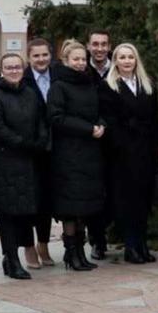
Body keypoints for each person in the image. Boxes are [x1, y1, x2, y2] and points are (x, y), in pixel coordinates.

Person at [0, 53, 48, 280]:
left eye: (17, 67)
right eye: (8, 67)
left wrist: (40, 140)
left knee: (25, 212)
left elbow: (41, 119)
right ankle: (11, 258)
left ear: (23, 69)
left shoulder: (29, 92)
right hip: (6, 162)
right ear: (1, 71)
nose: (13, 71)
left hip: (29, 161)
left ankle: (18, 254)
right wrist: (22, 143)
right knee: (8, 213)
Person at [101, 43, 158, 264]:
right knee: (127, 202)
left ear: (136, 60)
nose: (127, 61)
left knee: (144, 201)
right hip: (123, 155)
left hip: (146, 152)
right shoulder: (108, 86)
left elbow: (156, 117)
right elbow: (110, 122)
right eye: (122, 57)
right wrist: (124, 145)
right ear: (115, 61)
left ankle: (142, 245)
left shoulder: (147, 84)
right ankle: (131, 246)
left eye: (131, 57)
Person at [47, 40, 107, 272]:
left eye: (83, 59)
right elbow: (56, 117)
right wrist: (87, 129)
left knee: (84, 206)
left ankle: (80, 253)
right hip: (68, 154)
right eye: (76, 59)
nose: (81, 63)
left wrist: (100, 124)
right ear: (66, 60)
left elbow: (99, 111)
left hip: (90, 154)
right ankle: (71, 253)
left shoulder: (90, 83)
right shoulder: (59, 86)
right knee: (70, 207)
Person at [20, 38, 56, 269]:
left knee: (47, 200)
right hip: (29, 148)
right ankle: (28, 247)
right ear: (29, 57)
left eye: (44, 55)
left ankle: (43, 243)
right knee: (27, 200)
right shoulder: (21, 79)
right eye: (36, 56)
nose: (41, 59)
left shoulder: (58, 76)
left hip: (54, 148)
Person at [84, 30, 114, 260]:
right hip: (91, 139)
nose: (100, 48)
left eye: (104, 44)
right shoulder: (83, 70)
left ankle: (113, 232)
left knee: (114, 191)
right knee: (94, 192)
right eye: (95, 44)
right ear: (88, 46)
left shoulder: (119, 67)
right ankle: (96, 240)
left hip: (117, 141)